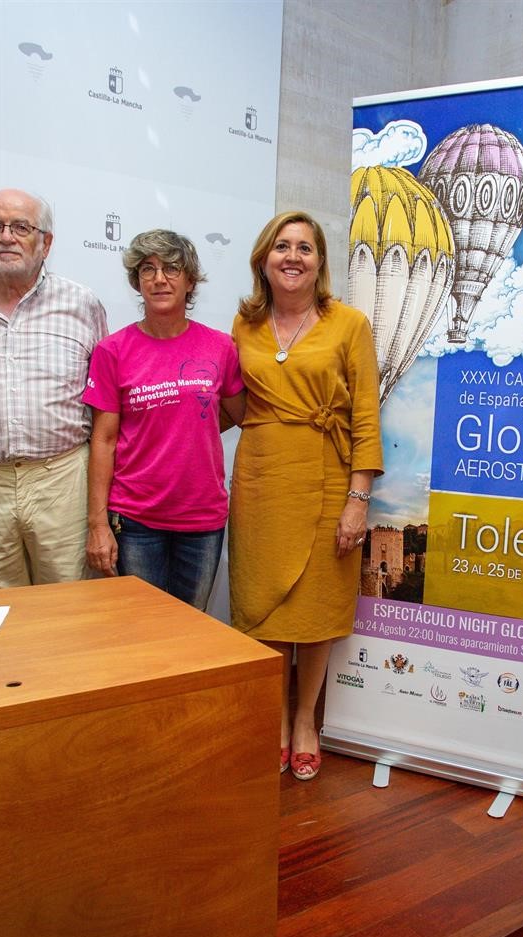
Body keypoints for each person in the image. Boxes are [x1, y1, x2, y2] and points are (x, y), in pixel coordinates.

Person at [228, 211, 383, 781]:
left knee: (315, 608)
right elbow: (229, 403)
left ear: (319, 262)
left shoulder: (349, 323)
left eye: (305, 248)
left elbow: (366, 414)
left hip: (326, 476)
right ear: (263, 259)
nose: (293, 257)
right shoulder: (243, 324)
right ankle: (273, 716)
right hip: (260, 480)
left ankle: (304, 722)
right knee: (262, 603)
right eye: (281, 247)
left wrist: (358, 498)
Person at [0, 188, 108, 591]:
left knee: (71, 605)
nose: (6, 236)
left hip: (61, 482)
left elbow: (103, 405)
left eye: (21, 227)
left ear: (46, 242)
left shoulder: (82, 303)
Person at [82, 230, 245, 609]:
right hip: (137, 519)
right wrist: (97, 524)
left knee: (191, 629)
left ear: (190, 281)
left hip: (202, 520)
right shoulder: (112, 351)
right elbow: (103, 440)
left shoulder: (220, 347)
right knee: (141, 631)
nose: (159, 278)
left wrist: (189, 425)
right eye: (148, 269)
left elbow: (244, 416)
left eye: (172, 268)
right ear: (136, 281)